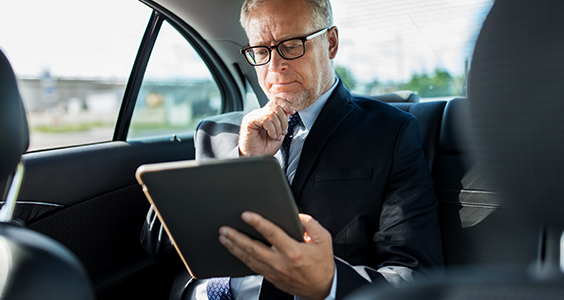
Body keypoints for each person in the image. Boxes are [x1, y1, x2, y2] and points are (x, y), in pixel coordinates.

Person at [141, 0, 443, 299]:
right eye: (261, 51)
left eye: (292, 45)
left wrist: (328, 281)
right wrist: (243, 161)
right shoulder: (215, 133)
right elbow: (157, 246)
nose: (274, 66)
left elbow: (414, 275)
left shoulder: (391, 132)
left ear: (331, 43)